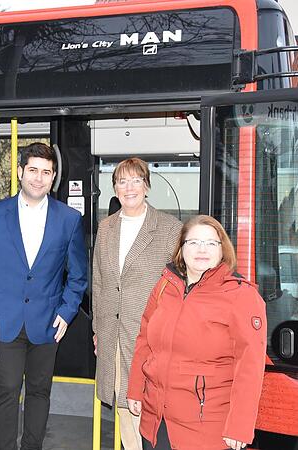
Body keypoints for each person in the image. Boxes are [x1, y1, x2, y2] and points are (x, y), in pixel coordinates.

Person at [0, 142, 88, 450]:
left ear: (53, 177)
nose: (39, 178)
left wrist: (67, 313)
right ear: (20, 173)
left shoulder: (68, 219)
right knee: (7, 390)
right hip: (5, 321)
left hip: (48, 323)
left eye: (46, 172)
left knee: (40, 391)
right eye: (33, 171)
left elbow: (78, 275)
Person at [127, 215, 267, 450]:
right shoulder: (164, 285)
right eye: (193, 242)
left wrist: (240, 425)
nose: (202, 249)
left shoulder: (242, 295)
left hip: (206, 428)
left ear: (223, 250)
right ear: (181, 249)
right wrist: (134, 390)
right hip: (156, 421)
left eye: (211, 243)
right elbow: (144, 341)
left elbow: (250, 366)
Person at [92, 158, 181, 450]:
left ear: (147, 186)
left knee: (151, 411)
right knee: (123, 409)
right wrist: (97, 330)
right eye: (121, 181)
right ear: (115, 189)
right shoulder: (105, 228)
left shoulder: (169, 229)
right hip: (112, 337)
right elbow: (100, 283)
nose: (128, 187)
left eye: (136, 180)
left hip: (150, 340)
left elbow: (179, 289)